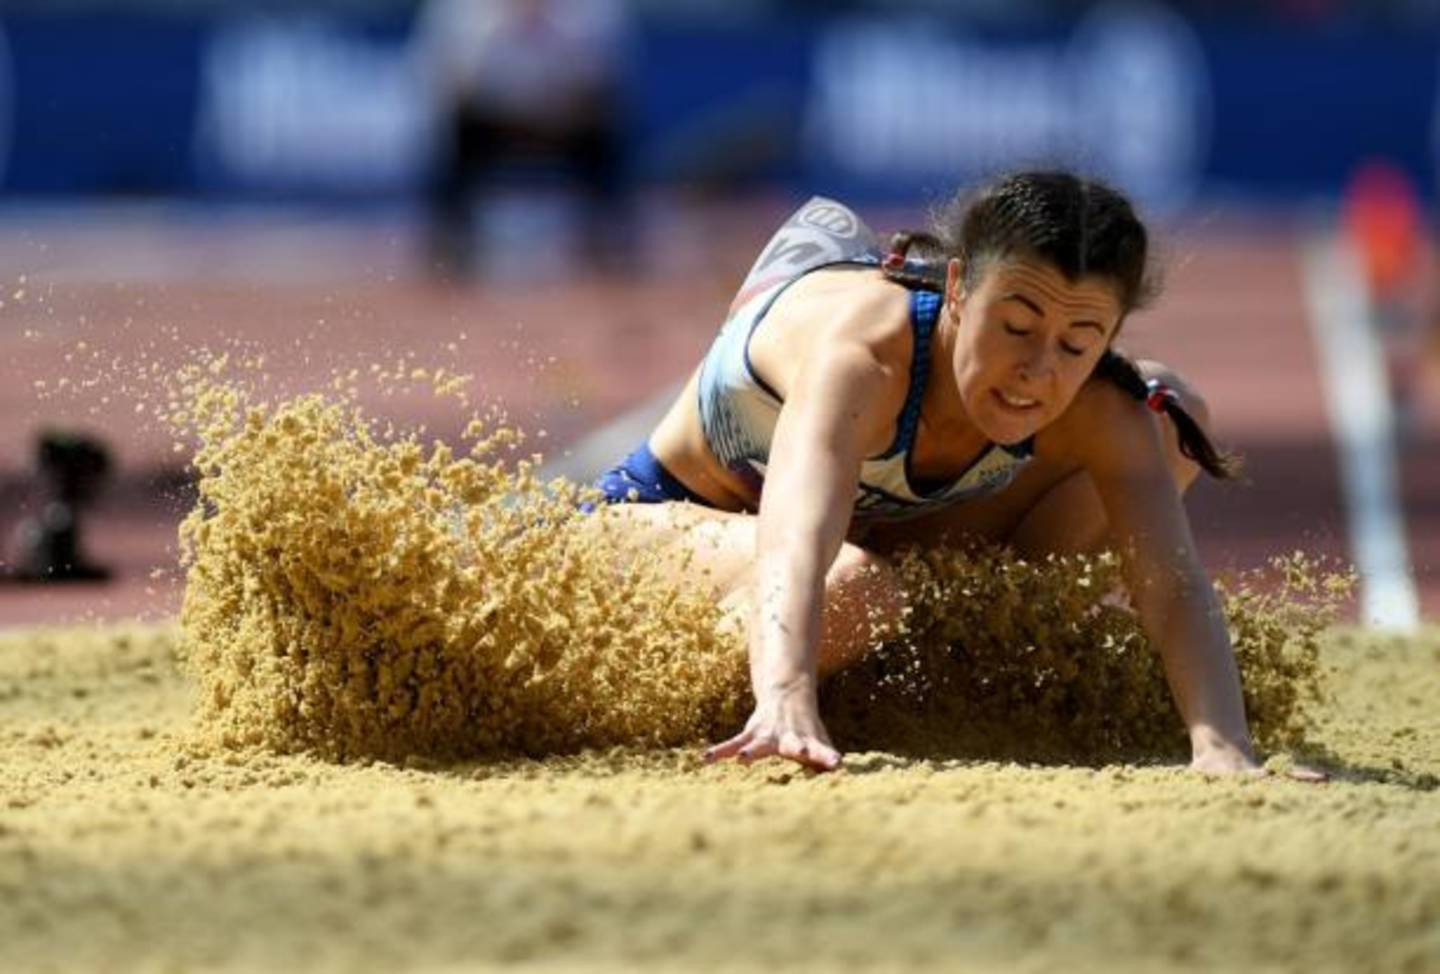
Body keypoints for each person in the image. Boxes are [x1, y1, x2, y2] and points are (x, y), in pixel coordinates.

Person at [592, 171, 1285, 777]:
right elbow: (796, 539)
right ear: (958, 288)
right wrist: (785, 698)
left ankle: (949, 658)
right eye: (1014, 327)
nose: (1036, 372)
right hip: (662, 519)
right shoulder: (866, 355)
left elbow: (1170, 582)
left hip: (868, 545)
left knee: (1170, 417)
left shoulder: (1099, 403)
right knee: (856, 588)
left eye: (1077, 344)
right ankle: (664, 689)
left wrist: (1222, 745)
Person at [412, 0, 629, 279]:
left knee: (605, 137)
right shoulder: (461, 10)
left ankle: (607, 244)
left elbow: (606, 85)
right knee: (454, 137)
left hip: (567, 124)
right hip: (491, 124)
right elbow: (448, 87)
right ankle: (450, 247)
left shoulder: (594, 11)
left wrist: (551, 111)